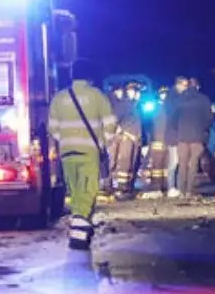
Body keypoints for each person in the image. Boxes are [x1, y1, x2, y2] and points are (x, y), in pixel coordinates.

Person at [47, 59, 117, 251]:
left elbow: (53, 128)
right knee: (88, 191)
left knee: (76, 192)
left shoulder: (59, 98)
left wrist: (67, 139)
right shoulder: (97, 96)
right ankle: (79, 234)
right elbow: (110, 123)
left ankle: (81, 231)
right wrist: (103, 142)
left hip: (68, 153)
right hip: (89, 152)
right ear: (89, 77)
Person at [169, 76, 213, 197]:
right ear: (198, 87)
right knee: (193, 163)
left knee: (182, 164)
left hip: (182, 137)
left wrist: (179, 130)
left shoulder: (180, 99)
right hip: (197, 137)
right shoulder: (204, 99)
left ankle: (181, 190)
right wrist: (203, 130)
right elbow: (209, 119)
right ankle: (190, 190)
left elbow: (173, 119)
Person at [111, 82, 144, 198]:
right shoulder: (124, 105)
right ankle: (121, 188)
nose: (138, 94)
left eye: (138, 92)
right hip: (127, 139)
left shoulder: (134, 105)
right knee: (125, 164)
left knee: (132, 164)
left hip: (134, 140)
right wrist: (124, 132)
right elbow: (114, 121)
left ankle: (129, 187)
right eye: (136, 91)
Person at [145, 86, 171, 195]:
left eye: (166, 94)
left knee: (166, 165)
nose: (164, 96)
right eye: (162, 94)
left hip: (168, 140)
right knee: (157, 164)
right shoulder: (155, 107)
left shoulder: (170, 107)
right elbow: (149, 124)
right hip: (157, 140)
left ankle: (165, 185)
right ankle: (156, 186)